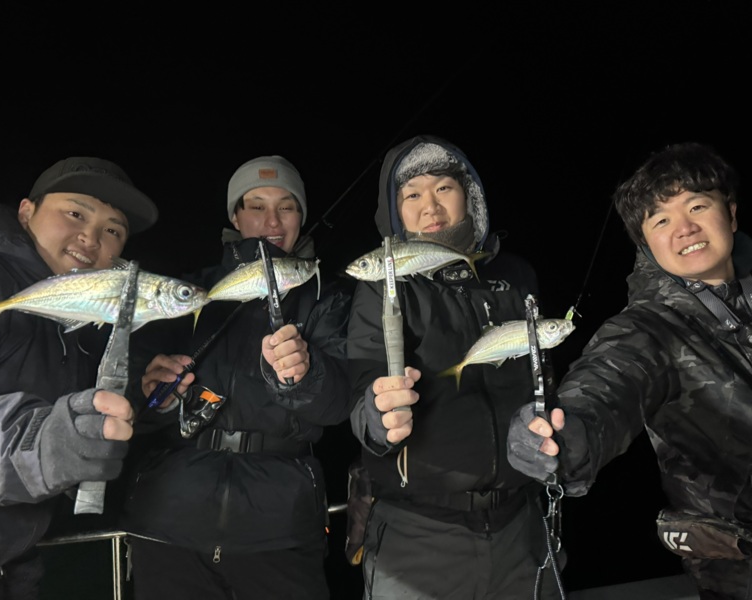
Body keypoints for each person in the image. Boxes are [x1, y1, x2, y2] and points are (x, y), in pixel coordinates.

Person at [507, 141, 752, 599]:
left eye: (697, 205)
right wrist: (565, 434)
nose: (684, 228)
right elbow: (607, 383)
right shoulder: (649, 328)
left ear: (732, 215)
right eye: (661, 219)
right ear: (646, 243)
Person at [119, 155, 353, 600]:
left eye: (287, 207)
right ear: (234, 216)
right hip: (170, 520)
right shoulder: (187, 292)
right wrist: (152, 392)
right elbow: (133, 404)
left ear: (301, 217)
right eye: (256, 205)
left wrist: (303, 376)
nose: (271, 220)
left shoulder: (326, 295)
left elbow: (339, 405)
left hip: (280, 526)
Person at [346, 134, 565, 599]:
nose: (431, 205)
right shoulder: (382, 288)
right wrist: (378, 414)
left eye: (443, 187)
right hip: (419, 534)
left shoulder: (517, 275)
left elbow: (544, 377)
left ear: (469, 194)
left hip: (521, 526)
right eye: (412, 194)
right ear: (394, 211)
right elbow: (363, 387)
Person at [0, 157, 159, 599]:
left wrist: (139, 394)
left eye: (113, 230)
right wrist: (36, 441)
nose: (91, 237)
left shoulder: (77, 318)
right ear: (26, 211)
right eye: (75, 213)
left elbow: (76, 415)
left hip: (9, 568)